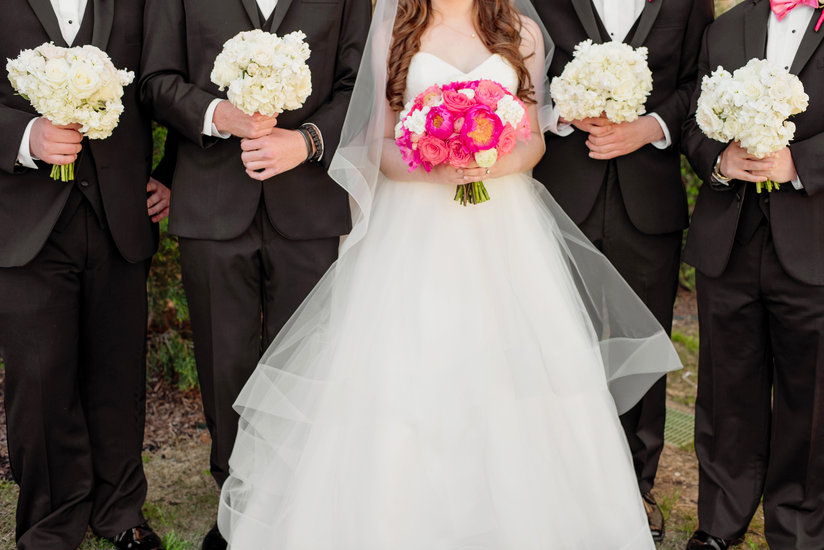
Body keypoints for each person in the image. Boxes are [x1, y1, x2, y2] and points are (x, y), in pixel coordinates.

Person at [215, 0, 684, 547]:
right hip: (413, 224)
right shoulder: (391, 31)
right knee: (406, 369)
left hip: (504, 225)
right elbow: (377, 144)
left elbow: (532, 140)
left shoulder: (521, 31)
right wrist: (432, 166)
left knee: (517, 369)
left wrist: (490, 161)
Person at [138, 0, 371, 548]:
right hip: (212, 202)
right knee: (225, 363)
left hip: (309, 204)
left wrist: (306, 141)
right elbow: (154, 80)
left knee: (304, 364)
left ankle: (297, 506)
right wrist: (218, 114)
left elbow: (360, 85)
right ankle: (235, 508)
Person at [530, 0, 714, 540]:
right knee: (551, 345)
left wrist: (651, 127)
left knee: (641, 347)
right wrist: (557, 113)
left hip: (648, 200)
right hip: (557, 198)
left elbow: (696, 83)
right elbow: (512, 73)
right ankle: (550, 481)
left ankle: (635, 490)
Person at [0, 0, 170, 548]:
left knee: (118, 373)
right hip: (25, 221)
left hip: (120, 213)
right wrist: (26, 138)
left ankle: (120, 512)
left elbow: (166, 81)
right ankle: (52, 525)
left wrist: (172, 176)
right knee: (41, 379)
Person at [681, 0, 824, 548]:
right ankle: (718, 527)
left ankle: (797, 531)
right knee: (725, 395)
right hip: (730, 241)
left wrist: (800, 165)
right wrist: (719, 160)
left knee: (808, 403)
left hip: (811, 242)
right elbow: (695, 123)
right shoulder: (727, 26)